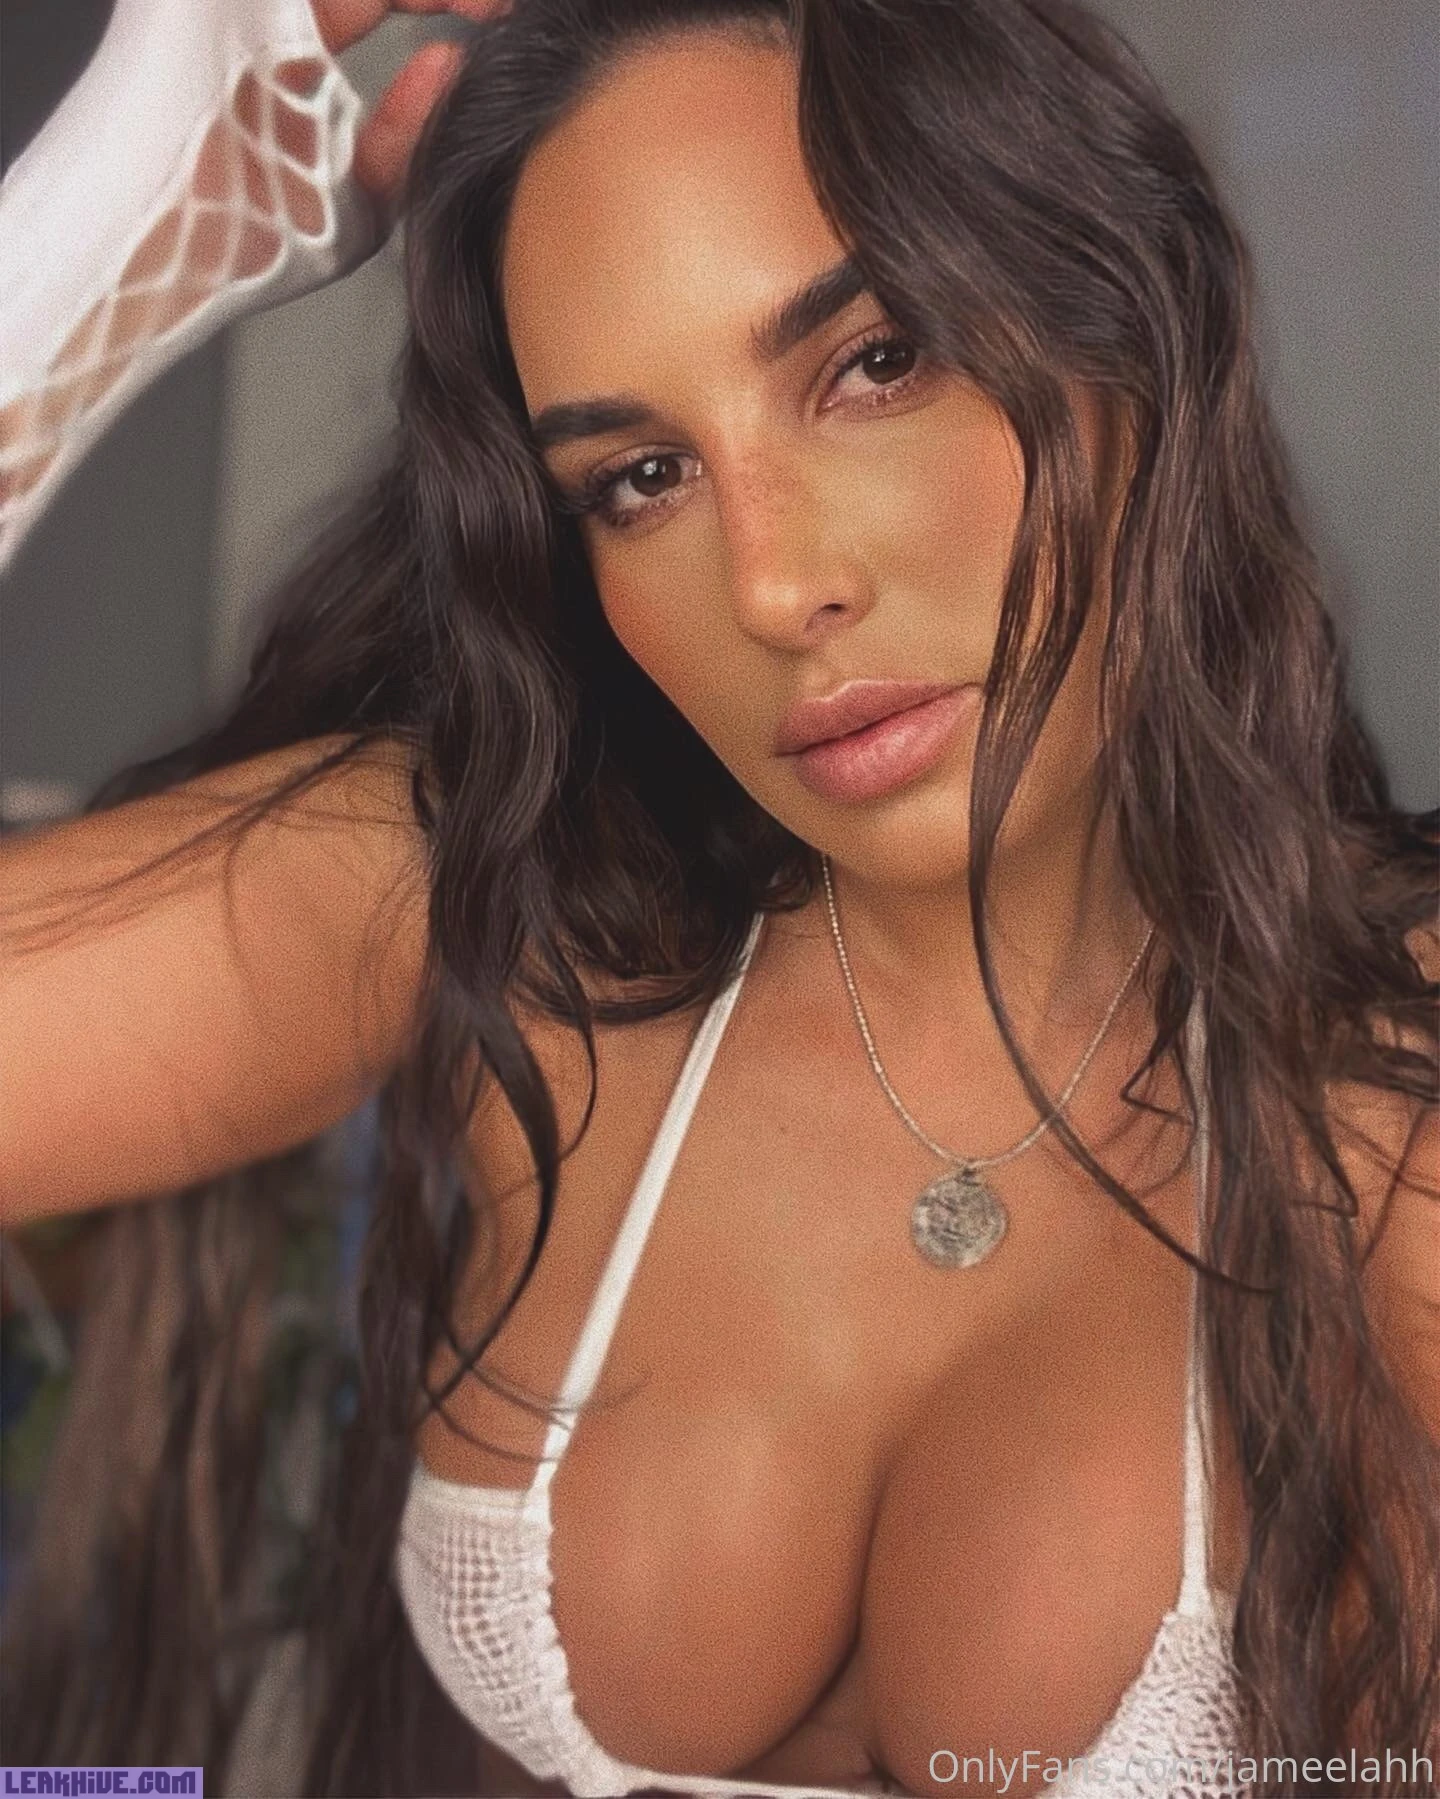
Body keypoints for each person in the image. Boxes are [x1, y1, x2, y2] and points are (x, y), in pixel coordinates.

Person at [1, 0, 1437, 1794]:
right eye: (642, 478)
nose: (770, 584)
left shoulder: (1390, 1102)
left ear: (1129, 321)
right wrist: (110, 239)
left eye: (873, 362)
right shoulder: (519, 927)